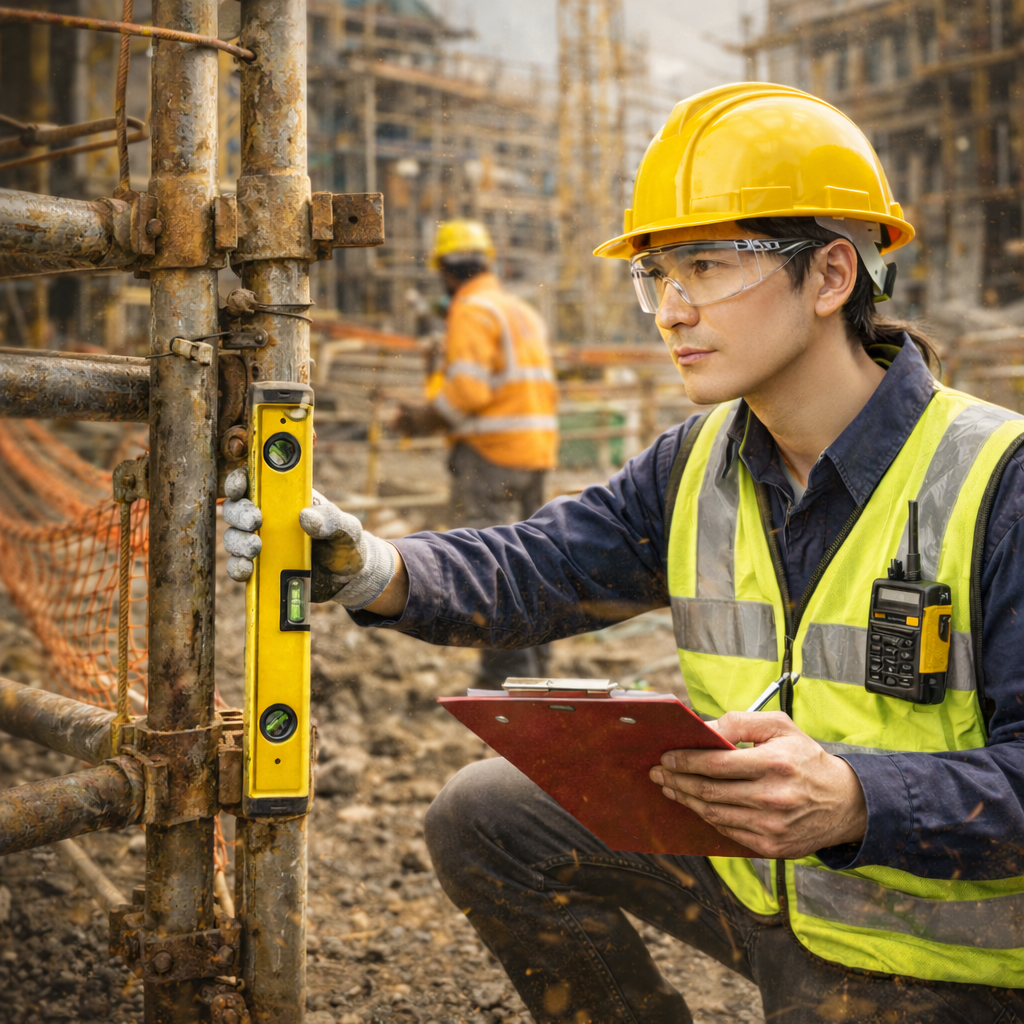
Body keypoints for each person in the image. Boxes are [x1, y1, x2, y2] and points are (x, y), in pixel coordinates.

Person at [223, 83, 1024, 1023]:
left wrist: (857, 798)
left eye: (706, 267)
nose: (671, 312)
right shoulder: (698, 464)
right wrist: (373, 565)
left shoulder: (995, 482)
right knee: (488, 815)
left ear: (830, 276)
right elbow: (540, 566)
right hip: (762, 884)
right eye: (658, 276)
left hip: (939, 957)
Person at [395, 218, 559, 686]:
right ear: (488, 263)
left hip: (491, 457)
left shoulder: (470, 310)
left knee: (491, 567)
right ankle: (538, 666)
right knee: (532, 563)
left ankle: (505, 678)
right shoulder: (518, 310)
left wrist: (422, 419)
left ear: (445, 272)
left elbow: (467, 391)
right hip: (535, 453)